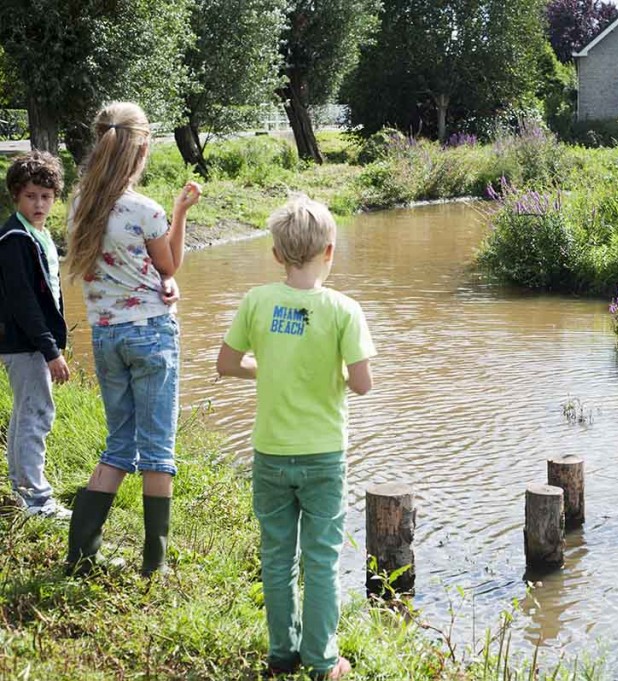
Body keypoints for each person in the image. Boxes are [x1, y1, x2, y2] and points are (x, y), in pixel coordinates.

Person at [216, 195, 375, 680]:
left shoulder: (256, 301)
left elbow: (226, 365)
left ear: (276, 255)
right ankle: (324, 660)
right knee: (322, 559)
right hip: (324, 454)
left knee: (277, 555)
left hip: (270, 452)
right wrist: (329, 372)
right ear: (330, 251)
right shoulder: (344, 310)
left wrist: (268, 367)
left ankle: (282, 654)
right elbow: (363, 383)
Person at [64, 102, 201, 577]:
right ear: (141, 149)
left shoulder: (80, 204)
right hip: (151, 334)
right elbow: (169, 267)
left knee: (119, 445)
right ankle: (154, 566)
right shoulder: (146, 210)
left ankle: (81, 557)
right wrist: (181, 211)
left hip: (105, 337)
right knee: (158, 450)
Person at [0, 151, 71, 519]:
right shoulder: (15, 238)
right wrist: (50, 349)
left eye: (46, 196)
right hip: (25, 342)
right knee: (36, 414)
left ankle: (23, 489)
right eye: (31, 196)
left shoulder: (36, 234)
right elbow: (23, 300)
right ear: (16, 195)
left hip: (28, 341)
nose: (39, 203)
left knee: (26, 412)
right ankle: (36, 499)